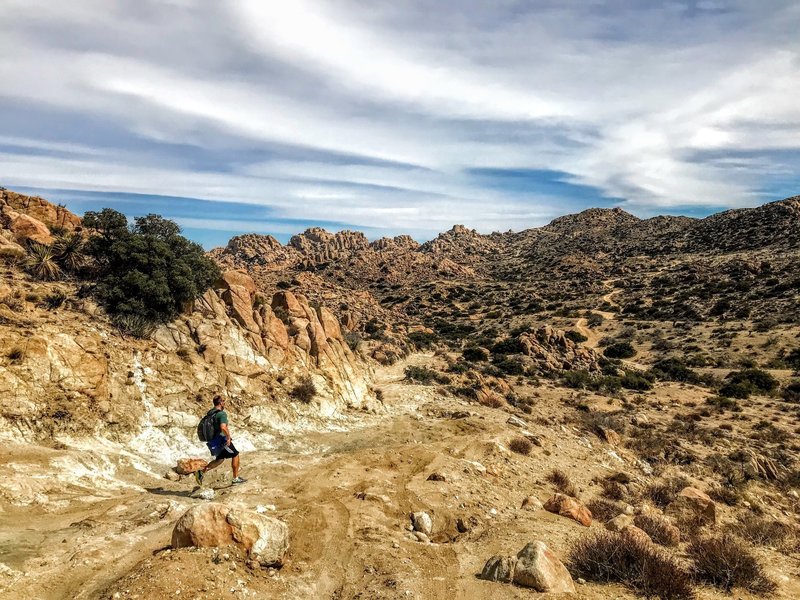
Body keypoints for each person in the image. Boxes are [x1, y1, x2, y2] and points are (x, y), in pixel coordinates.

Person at [195, 395, 246, 486]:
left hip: (213, 441)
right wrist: (228, 437)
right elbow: (223, 427)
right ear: (221, 403)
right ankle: (235, 479)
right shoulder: (221, 414)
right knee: (235, 454)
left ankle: (201, 472)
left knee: (220, 459)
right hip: (221, 440)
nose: (224, 403)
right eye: (223, 402)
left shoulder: (210, 414)